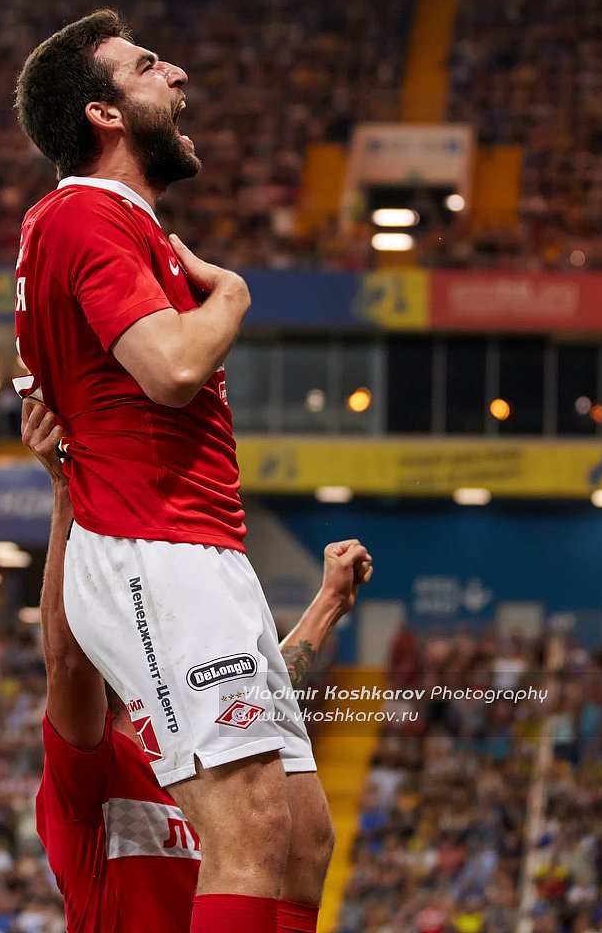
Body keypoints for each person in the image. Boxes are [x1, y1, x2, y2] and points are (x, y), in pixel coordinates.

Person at [13, 9, 373, 933]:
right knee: (249, 826)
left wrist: (324, 604)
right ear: (103, 113)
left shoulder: (115, 223)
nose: (177, 75)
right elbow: (171, 370)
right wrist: (237, 297)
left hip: (197, 543)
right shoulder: (85, 212)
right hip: (148, 539)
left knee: (300, 834)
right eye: (147, 66)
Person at [22, 399, 374, 932]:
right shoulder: (93, 774)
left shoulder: (203, 745)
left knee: (307, 839)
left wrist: (328, 606)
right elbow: (67, 661)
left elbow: (253, 699)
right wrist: (70, 491)